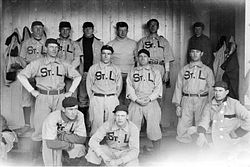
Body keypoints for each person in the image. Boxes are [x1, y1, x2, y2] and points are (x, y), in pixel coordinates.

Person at [17, 38, 81, 163]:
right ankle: (37, 158)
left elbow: (77, 76)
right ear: (45, 48)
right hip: (43, 97)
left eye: (56, 47)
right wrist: (32, 91)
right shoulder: (38, 63)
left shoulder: (63, 63)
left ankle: (58, 158)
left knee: (60, 128)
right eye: (51, 47)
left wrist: (70, 92)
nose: (54, 49)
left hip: (59, 97)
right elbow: (21, 75)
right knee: (40, 128)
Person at [189, 81, 250, 160]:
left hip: (233, 141)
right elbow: (204, 121)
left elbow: (249, 118)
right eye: (216, 90)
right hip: (217, 140)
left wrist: (238, 132)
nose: (217, 93)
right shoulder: (209, 105)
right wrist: (201, 134)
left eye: (220, 91)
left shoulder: (234, 103)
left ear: (226, 92)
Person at [172, 44, 215, 143]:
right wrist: (177, 105)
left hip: (202, 99)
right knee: (183, 123)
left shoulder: (207, 70)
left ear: (202, 54)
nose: (195, 54)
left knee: (202, 122)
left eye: (197, 52)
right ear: (190, 54)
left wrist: (211, 105)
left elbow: (211, 88)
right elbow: (178, 87)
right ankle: (183, 145)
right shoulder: (184, 69)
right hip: (187, 98)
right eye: (192, 52)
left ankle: (200, 145)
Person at [137, 18, 174, 130]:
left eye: (155, 25)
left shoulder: (163, 41)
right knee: (143, 93)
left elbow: (167, 58)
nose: (153, 27)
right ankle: (144, 123)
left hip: (159, 68)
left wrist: (167, 72)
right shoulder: (143, 41)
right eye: (151, 25)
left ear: (158, 27)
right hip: (146, 68)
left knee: (158, 97)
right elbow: (138, 58)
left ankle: (156, 123)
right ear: (148, 27)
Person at [126, 49, 162, 152]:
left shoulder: (155, 71)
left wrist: (150, 98)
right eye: (140, 56)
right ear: (137, 58)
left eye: (145, 56)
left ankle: (156, 151)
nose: (142, 58)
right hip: (136, 101)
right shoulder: (133, 71)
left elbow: (158, 87)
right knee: (133, 126)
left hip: (150, 101)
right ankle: (134, 150)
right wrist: (136, 99)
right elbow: (129, 87)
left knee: (153, 126)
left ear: (149, 58)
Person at [17, 21, 46, 136]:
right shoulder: (26, 43)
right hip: (29, 75)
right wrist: (28, 71)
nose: (38, 30)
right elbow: (21, 58)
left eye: (40, 28)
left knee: (43, 101)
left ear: (43, 29)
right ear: (32, 29)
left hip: (43, 76)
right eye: (36, 28)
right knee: (26, 99)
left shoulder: (47, 42)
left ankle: (41, 126)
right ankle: (27, 125)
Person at [86, 45, 122, 136]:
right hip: (98, 97)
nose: (106, 56)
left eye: (109, 54)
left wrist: (113, 97)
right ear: (100, 55)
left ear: (111, 55)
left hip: (111, 97)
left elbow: (119, 85)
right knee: (96, 123)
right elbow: (89, 85)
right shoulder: (93, 68)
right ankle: (94, 146)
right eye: (104, 53)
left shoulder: (116, 69)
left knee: (112, 122)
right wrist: (92, 98)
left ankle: (110, 145)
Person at [42, 97, 86, 166]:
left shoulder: (79, 115)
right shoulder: (52, 118)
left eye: (76, 109)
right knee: (53, 158)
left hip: (64, 139)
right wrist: (67, 145)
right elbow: (50, 143)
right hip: (52, 143)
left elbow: (82, 138)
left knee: (81, 148)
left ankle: (69, 162)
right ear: (63, 109)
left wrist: (63, 136)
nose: (74, 112)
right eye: (70, 109)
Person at [76, 22, 103, 134]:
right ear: (83, 29)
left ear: (93, 30)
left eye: (90, 28)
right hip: (83, 73)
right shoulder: (77, 43)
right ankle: (83, 125)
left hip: (96, 75)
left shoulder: (99, 43)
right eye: (86, 28)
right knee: (82, 100)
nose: (88, 30)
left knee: (94, 99)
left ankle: (92, 125)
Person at [107, 22, 137, 106]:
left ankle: (128, 118)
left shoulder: (133, 43)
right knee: (116, 98)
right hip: (116, 75)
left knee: (129, 98)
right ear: (117, 31)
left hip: (129, 75)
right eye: (120, 30)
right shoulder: (110, 44)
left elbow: (137, 60)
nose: (123, 33)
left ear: (127, 31)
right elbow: (107, 61)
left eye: (125, 30)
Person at [57, 21, 81, 98]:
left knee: (71, 97)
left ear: (70, 31)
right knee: (57, 96)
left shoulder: (74, 44)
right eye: (63, 29)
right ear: (59, 30)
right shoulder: (55, 42)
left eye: (67, 29)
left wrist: (68, 70)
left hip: (70, 73)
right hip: (57, 73)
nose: (65, 32)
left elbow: (77, 59)